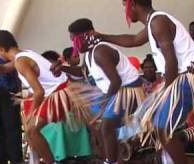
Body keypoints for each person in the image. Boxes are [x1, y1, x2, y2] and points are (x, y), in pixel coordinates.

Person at [89, 0, 194, 163]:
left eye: (123, 3)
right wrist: (102, 36)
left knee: (162, 127)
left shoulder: (158, 22)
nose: (123, 8)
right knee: (159, 125)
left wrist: (166, 91)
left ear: (131, 4)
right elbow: (133, 40)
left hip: (188, 78)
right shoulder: (153, 22)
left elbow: (172, 61)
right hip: (182, 78)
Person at [51, 18, 145, 164]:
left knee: (106, 125)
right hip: (114, 92)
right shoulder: (89, 54)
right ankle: (113, 157)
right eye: (72, 40)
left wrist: (104, 104)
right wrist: (62, 68)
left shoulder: (101, 51)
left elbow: (116, 81)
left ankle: (111, 160)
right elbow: (83, 72)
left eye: (75, 39)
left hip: (128, 91)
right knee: (95, 123)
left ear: (88, 34)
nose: (74, 44)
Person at [0, 30, 89, 164]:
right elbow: (3, 69)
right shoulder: (24, 55)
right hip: (63, 91)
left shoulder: (21, 61)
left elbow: (39, 92)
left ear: (0, 49)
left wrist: (32, 114)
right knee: (31, 131)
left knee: (32, 130)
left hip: (59, 94)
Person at [0, 9, 23, 164]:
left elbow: (16, 58)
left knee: (12, 127)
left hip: (8, 88)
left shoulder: (3, 36)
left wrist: (3, 68)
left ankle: (16, 160)